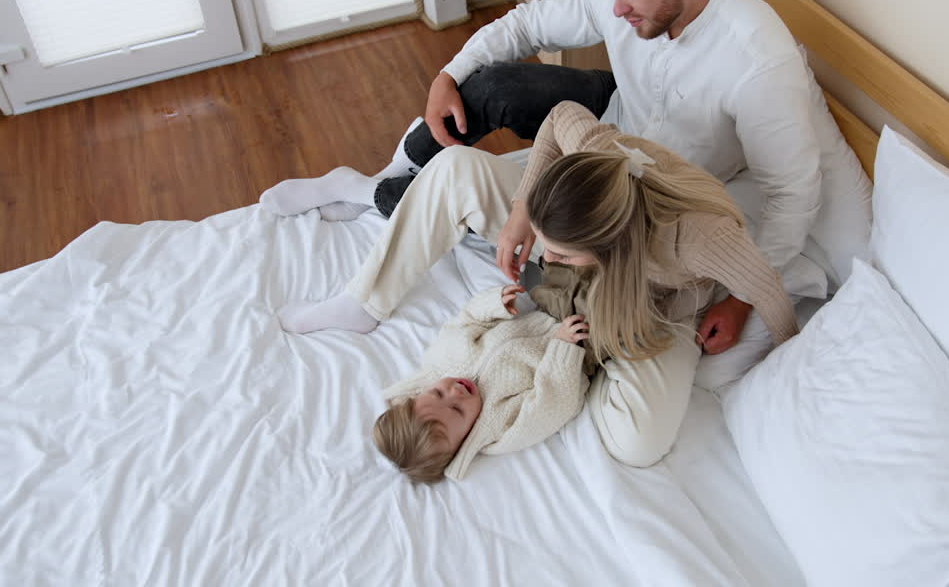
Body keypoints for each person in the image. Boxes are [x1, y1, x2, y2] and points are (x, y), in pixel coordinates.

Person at [261, 0, 837, 353]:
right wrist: (447, 73)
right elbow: (528, 25)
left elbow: (792, 195)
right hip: (595, 156)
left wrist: (740, 299)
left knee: (609, 322)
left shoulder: (760, 61)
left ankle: (367, 193)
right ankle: (363, 297)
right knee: (463, 150)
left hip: (654, 215)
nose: (615, 9)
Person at [301, 102, 798, 467]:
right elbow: (560, 115)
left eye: (557, 254)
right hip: (588, 257)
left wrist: (736, 305)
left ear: (603, 248)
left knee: (638, 442)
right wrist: (522, 215)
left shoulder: (695, 240)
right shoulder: (596, 153)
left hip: (658, 293)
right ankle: (364, 299)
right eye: (547, 247)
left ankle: (601, 354)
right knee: (456, 166)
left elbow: (769, 290)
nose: (547, 257)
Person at [374, 284, 592, 484]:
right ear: (463, 443)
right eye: (457, 409)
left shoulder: (441, 360)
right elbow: (554, 404)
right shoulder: (499, 428)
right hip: (582, 342)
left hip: (548, 304)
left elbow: (467, 320)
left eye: (438, 393)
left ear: (419, 394)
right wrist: (564, 347)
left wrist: (494, 305)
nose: (455, 391)